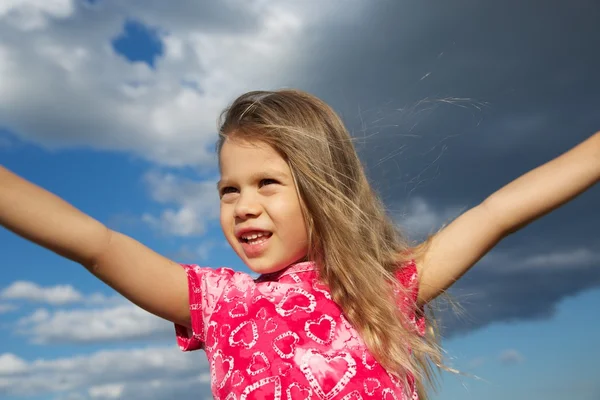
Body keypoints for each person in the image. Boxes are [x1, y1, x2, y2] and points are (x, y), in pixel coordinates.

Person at [0, 89, 598, 400]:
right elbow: (95, 243)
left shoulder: (382, 288)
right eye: (228, 190)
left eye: (267, 184)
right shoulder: (219, 303)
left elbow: (496, 213)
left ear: (323, 190)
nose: (243, 205)